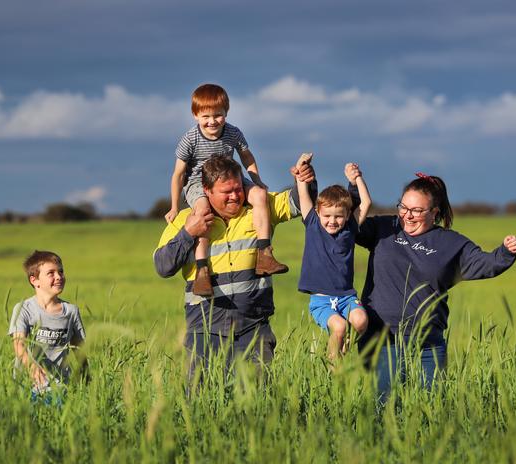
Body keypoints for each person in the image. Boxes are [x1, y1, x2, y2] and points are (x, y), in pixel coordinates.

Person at [346, 170, 516, 395]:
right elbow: (348, 225)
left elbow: (486, 263)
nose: (407, 215)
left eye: (417, 210)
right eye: (403, 207)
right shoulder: (384, 228)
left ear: (434, 212)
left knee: (431, 410)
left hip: (428, 346)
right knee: (386, 410)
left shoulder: (451, 243)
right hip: (381, 341)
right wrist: (353, 187)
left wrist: (506, 252)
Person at [154, 154, 315, 380]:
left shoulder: (259, 208)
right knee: (202, 405)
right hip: (204, 332)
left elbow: (298, 203)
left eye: (238, 189)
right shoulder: (184, 220)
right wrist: (188, 233)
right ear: (206, 190)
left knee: (257, 406)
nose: (234, 196)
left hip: (254, 330)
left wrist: (306, 179)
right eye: (226, 192)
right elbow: (163, 266)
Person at [165, 83, 288, 298]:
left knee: (259, 195)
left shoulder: (232, 132)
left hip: (231, 177)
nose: (212, 121)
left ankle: (264, 254)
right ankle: (202, 270)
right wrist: (174, 206)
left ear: (226, 113)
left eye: (218, 115)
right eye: (206, 116)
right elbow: (178, 175)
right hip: (198, 183)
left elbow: (246, 156)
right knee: (203, 211)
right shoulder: (190, 139)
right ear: (195, 115)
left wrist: (257, 180)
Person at [296, 157, 372, 361]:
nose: (332, 221)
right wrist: (301, 166)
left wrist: (357, 179)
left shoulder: (350, 229)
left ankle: (343, 352)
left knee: (361, 320)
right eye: (327, 215)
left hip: (346, 297)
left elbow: (366, 202)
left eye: (338, 216)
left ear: (347, 215)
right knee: (339, 326)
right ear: (318, 212)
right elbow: (303, 191)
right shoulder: (312, 223)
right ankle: (332, 369)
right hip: (321, 300)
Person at [8, 250, 87, 397]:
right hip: (27, 387)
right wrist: (32, 367)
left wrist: (87, 378)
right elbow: (19, 344)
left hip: (61, 389)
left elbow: (79, 350)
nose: (58, 277)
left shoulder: (71, 311)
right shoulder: (24, 309)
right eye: (51, 273)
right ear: (34, 280)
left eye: (61, 272)